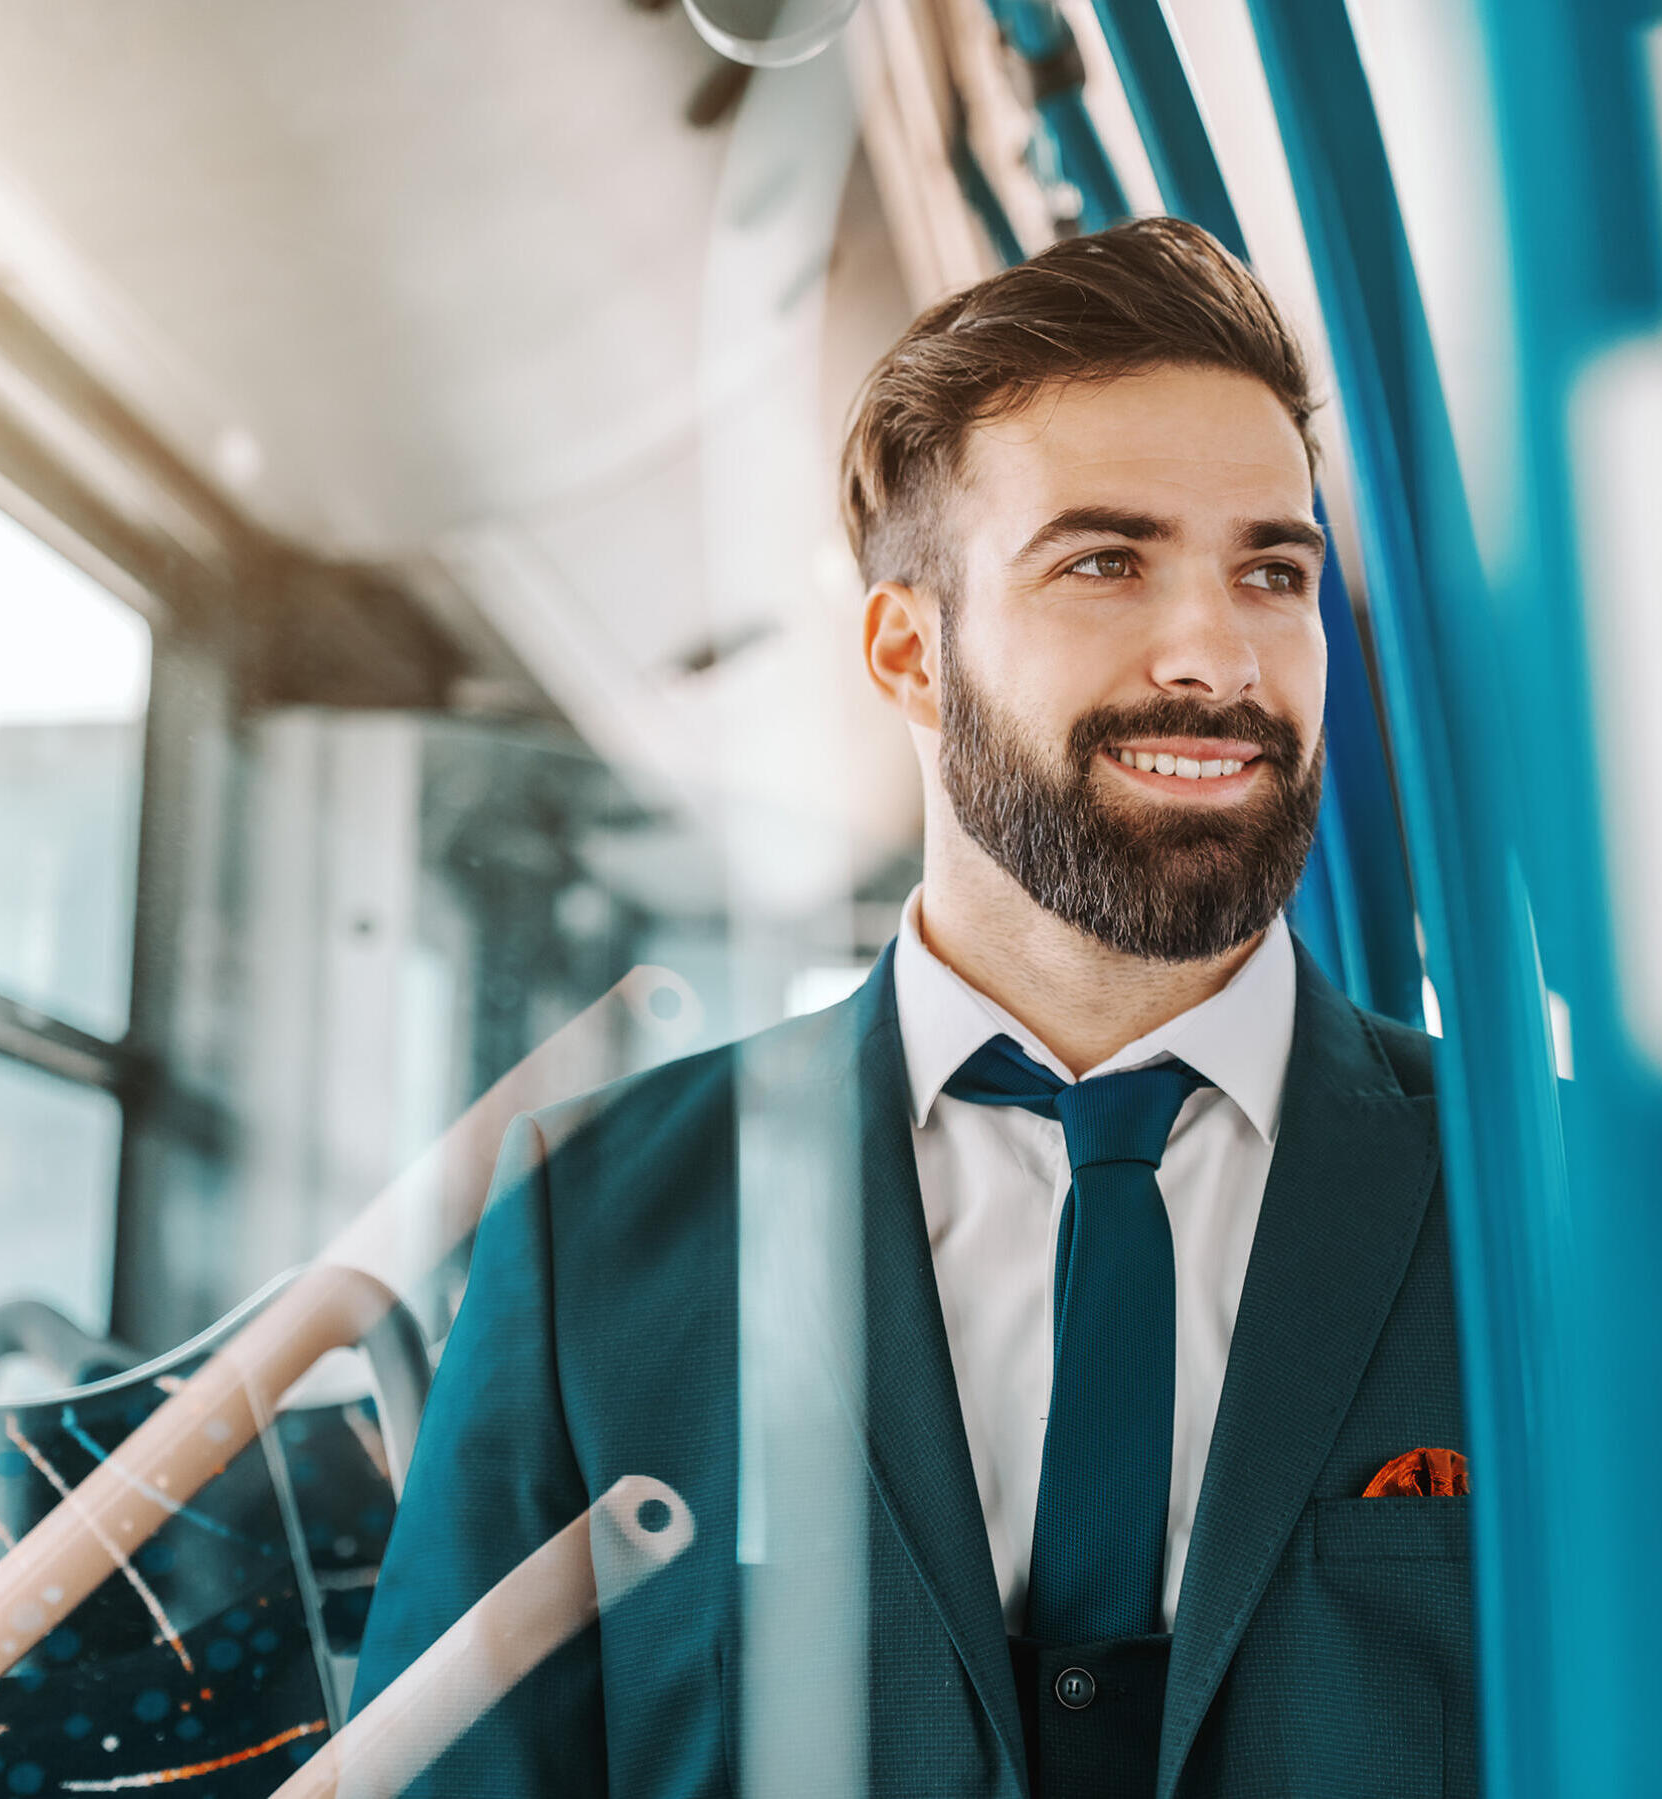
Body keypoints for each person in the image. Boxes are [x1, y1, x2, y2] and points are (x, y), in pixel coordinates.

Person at [352, 217, 1475, 1798]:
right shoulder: (600, 1228)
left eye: (1272, 571)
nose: (1219, 653)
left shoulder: (1550, 1201)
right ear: (909, 649)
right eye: (1105, 560)